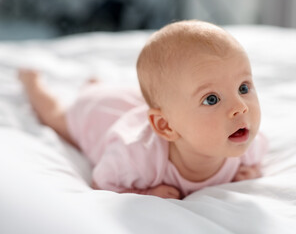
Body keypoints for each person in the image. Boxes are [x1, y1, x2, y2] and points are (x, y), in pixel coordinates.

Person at [19, 20, 268, 199]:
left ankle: (95, 84)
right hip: (99, 113)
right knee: (56, 118)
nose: (240, 107)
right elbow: (102, 180)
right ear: (166, 126)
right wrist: (145, 192)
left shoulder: (245, 140)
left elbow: (255, 159)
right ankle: (32, 82)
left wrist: (252, 171)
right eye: (212, 99)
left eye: (244, 87)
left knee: (161, 97)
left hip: (132, 103)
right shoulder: (135, 156)